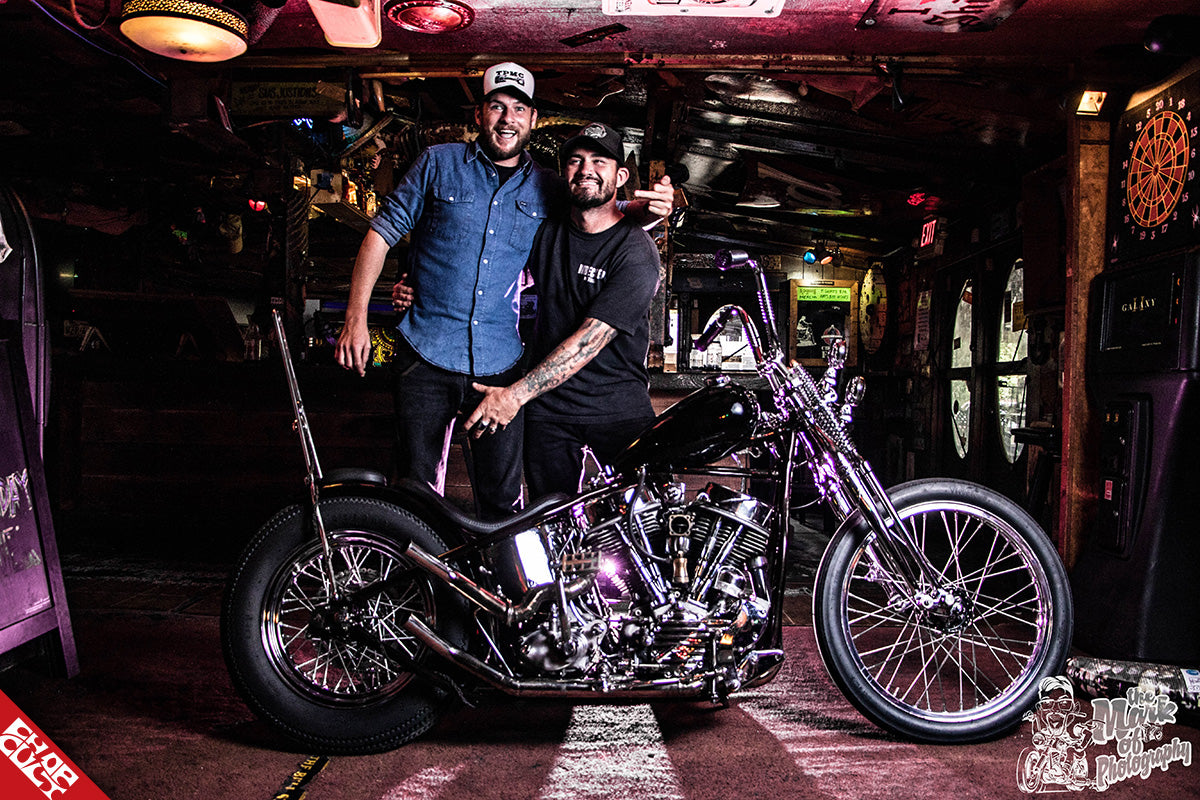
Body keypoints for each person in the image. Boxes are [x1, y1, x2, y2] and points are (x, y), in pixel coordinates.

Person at [334, 63, 672, 520]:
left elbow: (595, 201)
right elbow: (382, 232)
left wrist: (639, 209)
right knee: (416, 492)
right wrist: (358, 317)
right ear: (479, 114)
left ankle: (504, 590)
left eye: (519, 109)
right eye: (497, 107)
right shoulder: (438, 162)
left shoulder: (548, 186)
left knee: (505, 504)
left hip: (501, 367)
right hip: (426, 353)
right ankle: (429, 590)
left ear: (533, 120)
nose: (507, 119)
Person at [464, 122, 661, 500]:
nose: (586, 169)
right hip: (550, 412)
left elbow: (590, 339)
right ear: (563, 173)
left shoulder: (636, 251)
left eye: (599, 161)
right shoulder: (546, 231)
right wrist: (412, 278)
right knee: (550, 523)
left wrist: (514, 395)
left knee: (643, 524)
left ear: (619, 176)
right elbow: (486, 255)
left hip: (618, 409)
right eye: (576, 160)